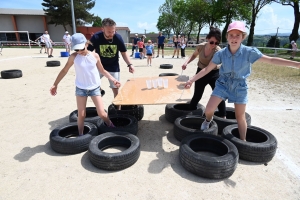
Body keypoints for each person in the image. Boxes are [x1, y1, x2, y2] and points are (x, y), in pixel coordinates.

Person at [184, 21, 300, 141]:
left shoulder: (249, 52)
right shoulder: (221, 53)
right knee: (209, 110)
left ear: (243, 37)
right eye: (231, 35)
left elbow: (271, 60)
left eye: (237, 35)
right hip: (223, 84)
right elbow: (207, 69)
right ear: (227, 37)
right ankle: (208, 120)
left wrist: (296, 65)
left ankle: (243, 141)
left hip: (240, 87)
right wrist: (191, 80)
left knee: (240, 117)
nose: (234, 38)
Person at [50, 33, 120, 135]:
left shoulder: (95, 56)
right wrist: (55, 84)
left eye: (81, 48)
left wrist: (113, 79)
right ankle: (81, 135)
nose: (79, 52)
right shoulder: (73, 57)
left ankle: (110, 125)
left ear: (86, 43)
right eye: (76, 49)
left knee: (101, 113)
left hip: (95, 88)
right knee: (81, 115)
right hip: (81, 89)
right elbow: (64, 70)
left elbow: (103, 70)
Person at [182, 27, 226, 118]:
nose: (214, 44)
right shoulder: (201, 46)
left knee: (218, 95)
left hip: (214, 74)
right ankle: (190, 114)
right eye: (212, 42)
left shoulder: (218, 51)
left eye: (217, 43)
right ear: (207, 38)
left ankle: (223, 116)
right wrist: (186, 62)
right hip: (200, 72)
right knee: (197, 95)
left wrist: (191, 80)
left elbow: (208, 69)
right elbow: (194, 55)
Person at [87, 18, 134, 98]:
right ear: (103, 29)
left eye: (113, 31)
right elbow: (88, 52)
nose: (111, 34)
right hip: (99, 66)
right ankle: (100, 90)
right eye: (109, 32)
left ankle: (117, 109)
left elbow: (123, 52)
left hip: (113, 66)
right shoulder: (96, 37)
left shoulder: (118, 38)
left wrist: (129, 64)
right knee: (90, 81)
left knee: (116, 89)